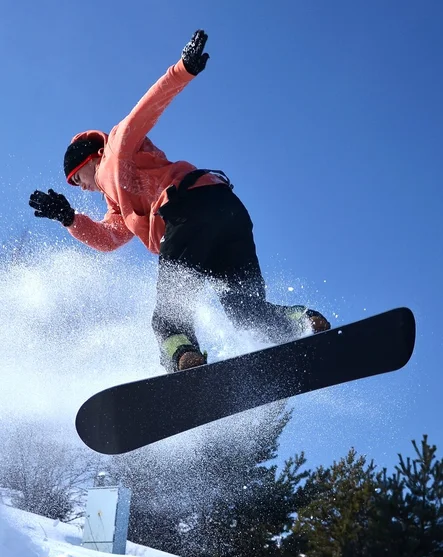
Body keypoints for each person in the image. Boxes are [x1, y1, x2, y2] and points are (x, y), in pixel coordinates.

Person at [29, 30, 330, 373]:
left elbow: (146, 110)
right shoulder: (120, 206)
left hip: (188, 211)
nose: (78, 187)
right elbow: (109, 239)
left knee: (168, 320)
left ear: (89, 160)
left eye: (75, 178)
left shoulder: (117, 149)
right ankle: (303, 321)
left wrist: (183, 69)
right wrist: (69, 219)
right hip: (227, 209)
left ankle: (186, 364)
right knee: (245, 311)